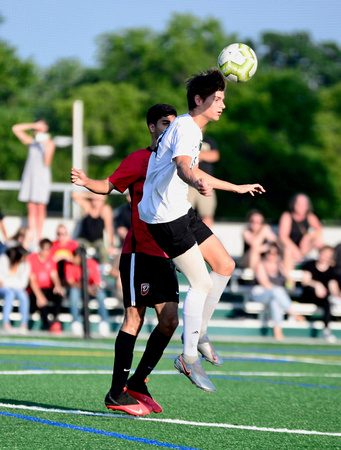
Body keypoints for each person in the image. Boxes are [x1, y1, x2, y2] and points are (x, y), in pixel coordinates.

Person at [138, 68, 265, 392]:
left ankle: (200, 331)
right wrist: (194, 180)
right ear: (199, 99)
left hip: (179, 207)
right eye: (217, 98)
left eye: (223, 98)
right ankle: (188, 357)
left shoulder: (188, 127)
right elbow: (184, 166)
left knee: (225, 265)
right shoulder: (187, 130)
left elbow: (190, 168)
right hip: (164, 217)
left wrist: (235, 187)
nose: (222, 104)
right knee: (202, 282)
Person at [71, 103, 179, 416]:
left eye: (172, 124)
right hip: (138, 253)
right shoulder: (139, 159)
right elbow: (108, 186)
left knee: (170, 320)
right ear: (151, 127)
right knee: (134, 319)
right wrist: (87, 181)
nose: (168, 128)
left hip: (164, 254)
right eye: (163, 123)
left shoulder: (176, 161)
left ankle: (139, 382)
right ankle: (117, 392)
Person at [12, 120, 56, 248]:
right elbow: (16, 128)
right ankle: (31, 232)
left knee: (40, 207)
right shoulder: (31, 142)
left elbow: (47, 162)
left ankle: (39, 235)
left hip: (42, 178)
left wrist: (46, 144)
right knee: (31, 206)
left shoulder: (49, 144)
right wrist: (33, 125)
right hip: (30, 176)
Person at [251, 243, 304, 341]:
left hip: (275, 296)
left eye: (275, 253)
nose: (272, 255)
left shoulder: (280, 266)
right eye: (269, 253)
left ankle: (277, 330)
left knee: (274, 301)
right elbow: (265, 284)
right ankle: (293, 314)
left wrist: (288, 281)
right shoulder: (260, 264)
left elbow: (291, 282)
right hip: (260, 293)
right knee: (276, 291)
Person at [64, 247, 110, 337]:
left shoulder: (92, 263)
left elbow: (97, 283)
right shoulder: (69, 264)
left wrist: (92, 288)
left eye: (76, 257)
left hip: (91, 290)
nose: (73, 259)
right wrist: (85, 287)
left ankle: (104, 323)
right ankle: (76, 323)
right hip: (78, 289)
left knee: (101, 295)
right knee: (73, 294)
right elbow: (70, 282)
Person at [300, 245, 340, 343]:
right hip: (308, 294)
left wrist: (338, 295)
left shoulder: (331, 270)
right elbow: (305, 281)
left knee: (327, 303)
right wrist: (317, 285)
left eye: (328, 255)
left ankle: (326, 330)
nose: (325, 257)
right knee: (314, 290)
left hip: (322, 297)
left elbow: (332, 285)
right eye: (324, 253)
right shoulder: (310, 265)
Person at [278, 193, 324, 272]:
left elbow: (319, 230)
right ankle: (290, 280)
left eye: (304, 204)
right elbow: (283, 237)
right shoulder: (287, 216)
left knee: (319, 242)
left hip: (303, 248)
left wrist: (308, 237)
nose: (301, 206)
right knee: (288, 251)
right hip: (288, 247)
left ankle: (323, 270)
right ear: (293, 204)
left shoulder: (310, 216)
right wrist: (296, 251)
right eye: (298, 203)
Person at [27, 238, 65, 332]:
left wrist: (57, 286)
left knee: (59, 295)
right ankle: (47, 324)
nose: (47, 252)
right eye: (45, 249)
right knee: (40, 300)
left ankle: (54, 320)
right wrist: (39, 296)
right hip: (34, 290)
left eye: (48, 249)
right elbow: (32, 280)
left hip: (47, 289)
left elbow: (54, 275)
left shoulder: (50, 259)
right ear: (40, 248)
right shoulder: (31, 258)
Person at [187, 127, 220, 229]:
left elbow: (215, 156)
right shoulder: (186, 140)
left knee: (207, 214)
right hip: (188, 183)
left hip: (207, 183)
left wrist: (196, 154)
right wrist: (204, 155)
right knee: (183, 214)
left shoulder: (208, 141)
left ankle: (204, 240)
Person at [72, 191, 115, 263]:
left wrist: (111, 245)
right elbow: (74, 195)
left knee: (103, 251)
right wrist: (92, 195)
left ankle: (102, 269)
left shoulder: (104, 210)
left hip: (98, 240)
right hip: (84, 239)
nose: (96, 202)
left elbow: (109, 228)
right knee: (76, 247)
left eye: (98, 200)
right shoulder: (88, 207)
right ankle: (78, 267)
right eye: (94, 200)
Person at [0, 245, 30, 333]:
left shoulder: (25, 264)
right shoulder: (3, 259)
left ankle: (24, 324)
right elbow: (1, 281)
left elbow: (23, 284)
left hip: (16, 288)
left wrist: (9, 282)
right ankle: (6, 323)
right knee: (10, 294)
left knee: (23, 295)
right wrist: (12, 283)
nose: (25, 258)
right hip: (3, 289)